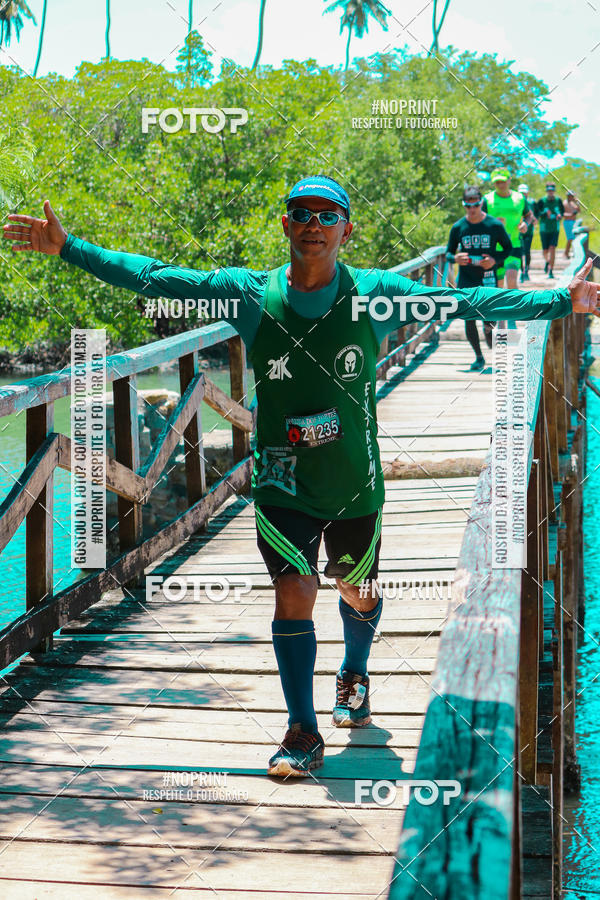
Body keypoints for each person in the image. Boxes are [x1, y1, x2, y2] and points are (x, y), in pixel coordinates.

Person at [4, 177, 599, 778]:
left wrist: (558, 301)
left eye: (327, 213)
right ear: (286, 225)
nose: (313, 222)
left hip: (353, 484)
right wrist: (70, 247)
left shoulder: (376, 297)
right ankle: (301, 729)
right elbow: (158, 276)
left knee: (355, 590)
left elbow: (468, 303)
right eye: (301, 212)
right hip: (281, 482)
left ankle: (354, 673)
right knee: (295, 593)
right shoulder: (246, 295)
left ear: (346, 228)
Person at [446, 185, 512, 370]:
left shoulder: (494, 225)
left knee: (490, 320)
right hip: (466, 278)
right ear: (464, 205)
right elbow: (448, 253)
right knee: (468, 318)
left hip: (488, 277)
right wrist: (456, 258)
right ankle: (478, 357)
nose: (472, 209)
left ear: (481, 203)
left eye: (475, 205)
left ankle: (491, 338)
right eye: (468, 206)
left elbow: (508, 249)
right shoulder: (458, 227)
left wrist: (494, 260)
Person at [481, 168, 528, 290]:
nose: (501, 185)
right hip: (494, 248)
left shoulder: (520, 198)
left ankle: (516, 309)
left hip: (514, 245)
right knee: (498, 286)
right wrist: (492, 224)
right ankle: (501, 309)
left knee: (512, 282)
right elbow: (478, 221)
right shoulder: (487, 200)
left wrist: (525, 224)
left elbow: (529, 215)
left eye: (503, 181)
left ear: (509, 180)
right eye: (497, 182)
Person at [535, 183, 564, 279]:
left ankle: (551, 270)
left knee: (552, 248)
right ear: (547, 191)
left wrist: (560, 216)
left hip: (555, 229)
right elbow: (537, 213)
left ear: (554, 191)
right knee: (545, 250)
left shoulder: (558, 200)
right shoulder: (542, 201)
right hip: (544, 229)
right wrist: (544, 214)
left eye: (552, 191)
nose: (550, 192)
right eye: (549, 191)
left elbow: (562, 212)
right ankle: (547, 261)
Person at [518, 183, 536, 282]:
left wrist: (533, 218)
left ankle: (527, 271)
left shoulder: (531, 202)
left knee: (527, 251)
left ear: (527, 192)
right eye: (521, 193)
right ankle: (522, 271)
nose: (523, 194)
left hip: (529, 231)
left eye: (525, 192)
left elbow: (534, 214)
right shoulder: (516, 202)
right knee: (520, 252)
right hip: (518, 232)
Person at [563, 190, 580, 259]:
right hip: (567, 222)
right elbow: (562, 214)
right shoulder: (565, 203)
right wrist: (570, 214)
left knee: (574, 238)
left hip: (573, 222)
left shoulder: (573, 203)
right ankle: (566, 253)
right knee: (570, 238)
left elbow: (579, 211)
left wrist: (577, 203)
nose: (572, 197)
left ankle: (568, 253)